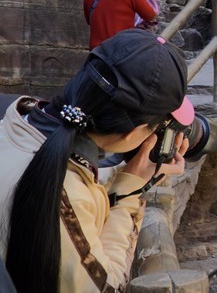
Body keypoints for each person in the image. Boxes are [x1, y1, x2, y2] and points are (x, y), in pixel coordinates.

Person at [0, 29, 191, 293]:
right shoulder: (62, 192)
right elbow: (105, 287)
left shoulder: (14, 121)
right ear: (134, 134)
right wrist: (129, 190)